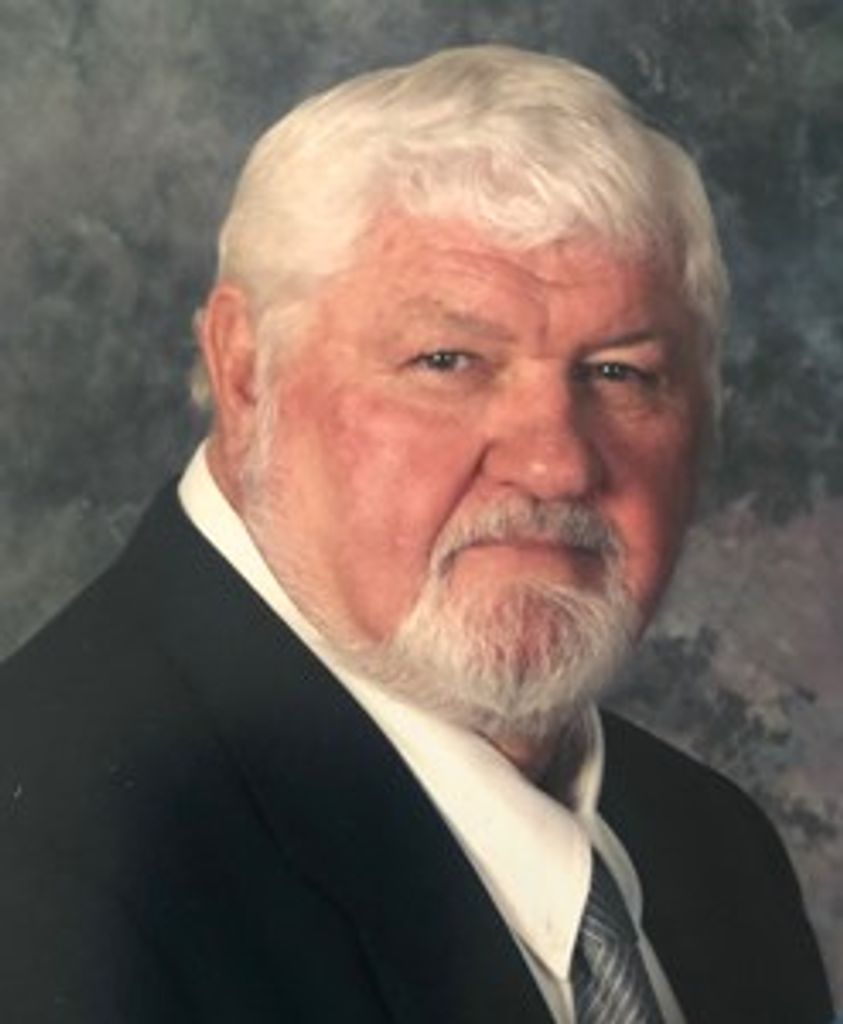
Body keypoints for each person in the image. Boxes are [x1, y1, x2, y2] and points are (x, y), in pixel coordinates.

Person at [0, 45, 833, 1024]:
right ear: (246, 371)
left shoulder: (715, 853)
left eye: (620, 372)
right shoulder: (56, 874)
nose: (555, 463)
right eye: (448, 361)